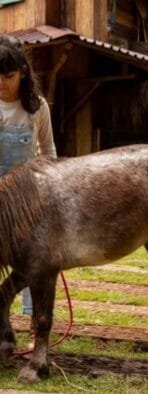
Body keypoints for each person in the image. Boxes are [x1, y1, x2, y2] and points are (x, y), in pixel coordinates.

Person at [0, 35, 57, 341]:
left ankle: (36, 319)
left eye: (8, 77)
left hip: (29, 200)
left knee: (34, 260)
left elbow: (49, 154)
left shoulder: (37, 109)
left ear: (22, 72)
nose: (2, 84)